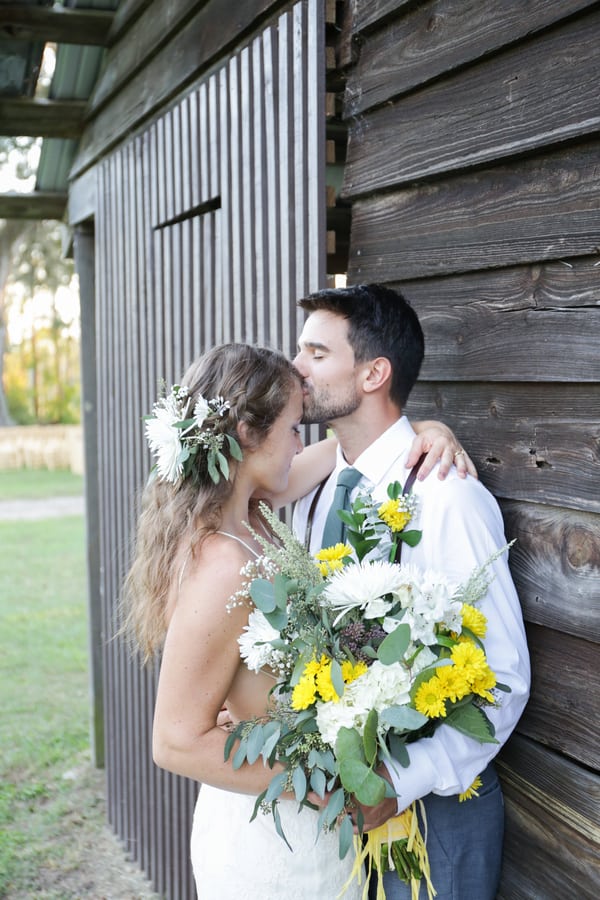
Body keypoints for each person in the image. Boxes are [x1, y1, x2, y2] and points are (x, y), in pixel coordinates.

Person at [121, 341, 474, 899]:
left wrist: (428, 431)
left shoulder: (255, 513)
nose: (300, 441)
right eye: (291, 428)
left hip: (309, 829)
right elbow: (173, 742)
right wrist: (327, 782)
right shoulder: (221, 564)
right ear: (244, 432)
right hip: (273, 841)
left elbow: (361, 447)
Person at [291, 284, 531, 900]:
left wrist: (398, 784)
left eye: (316, 354)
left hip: (436, 808)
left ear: (374, 372)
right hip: (345, 806)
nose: (296, 369)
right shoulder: (317, 492)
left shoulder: (446, 495)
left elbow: (503, 675)